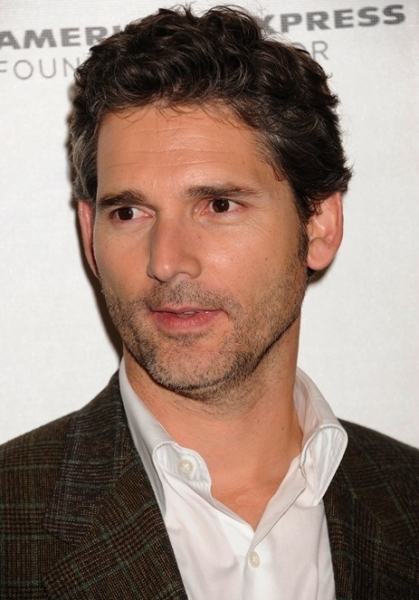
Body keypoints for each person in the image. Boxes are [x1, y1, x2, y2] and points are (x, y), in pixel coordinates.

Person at [0, 6, 418, 599]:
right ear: (90, 234)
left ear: (319, 225)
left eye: (219, 205)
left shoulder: (406, 500)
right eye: (129, 212)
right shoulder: (12, 520)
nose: (167, 261)